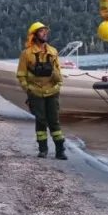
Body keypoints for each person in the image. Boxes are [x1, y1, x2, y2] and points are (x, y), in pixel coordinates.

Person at [16, 22, 66, 160]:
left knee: (54, 121)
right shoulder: (26, 54)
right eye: (41, 31)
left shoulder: (53, 52)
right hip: (35, 92)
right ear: (34, 35)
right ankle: (43, 149)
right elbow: (21, 75)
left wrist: (58, 85)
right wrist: (28, 89)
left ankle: (60, 150)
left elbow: (58, 72)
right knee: (41, 120)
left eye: (46, 31)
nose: (45, 33)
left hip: (52, 92)